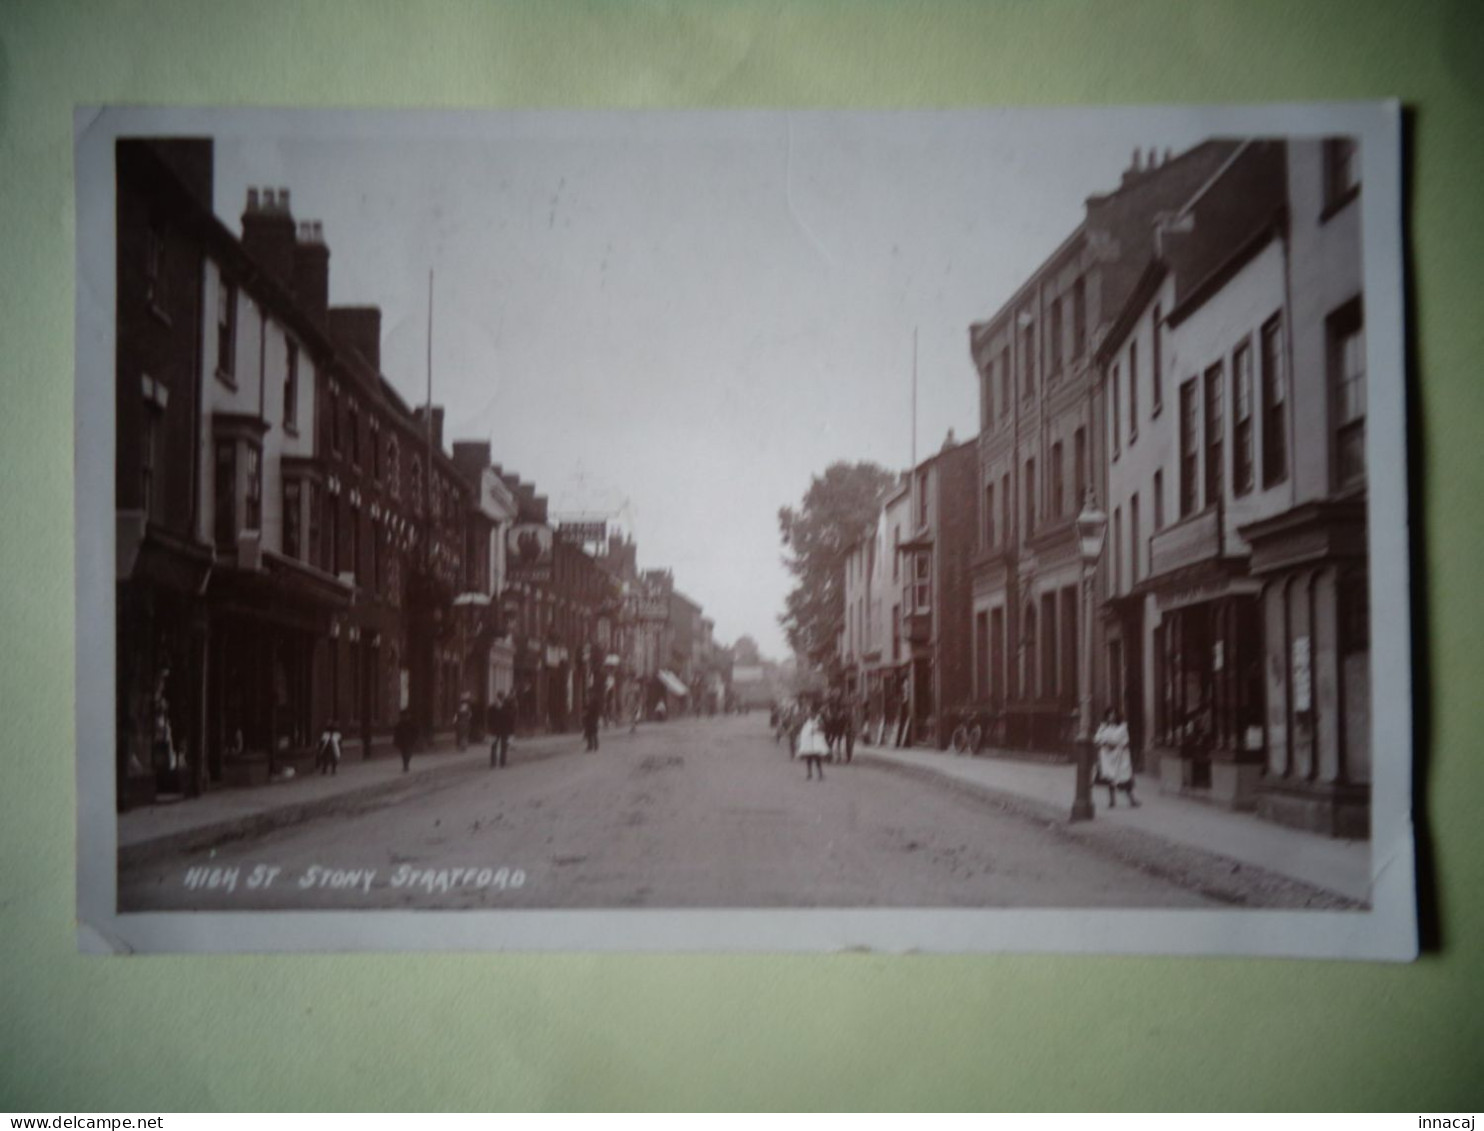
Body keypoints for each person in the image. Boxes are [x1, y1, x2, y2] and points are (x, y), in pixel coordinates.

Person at [1094, 707, 1139, 808]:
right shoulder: (1103, 727)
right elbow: (1097, 739)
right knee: (1110, 778)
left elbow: (1125, 740)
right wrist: (1105, 743)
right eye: (1110, 715)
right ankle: (1112, 801)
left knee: (1125, 777)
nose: (1112, 717)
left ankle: (1132, 799)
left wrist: (1118, 745)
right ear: (1107, 716)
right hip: (1108, 756)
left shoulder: (1122, 727)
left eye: (1114, 714)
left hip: (1120, 756)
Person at [796, 703, 829, 781]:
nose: (811, 714)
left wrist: (816, 730)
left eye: (813, 712)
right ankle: (809, 773)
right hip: (809, 742)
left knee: (818, 758)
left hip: (816, 741)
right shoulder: (808, 720)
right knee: (809, 758)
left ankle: (820, 774)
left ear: (816, 713)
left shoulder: (819, 719)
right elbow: (803, 729)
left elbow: (823, 728)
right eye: (811, 713)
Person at [487, 692, 513, 769]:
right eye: (500, 697)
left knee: (499, 746)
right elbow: (489, 719)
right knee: (497, 746)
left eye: (501, 698)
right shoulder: (494, 707)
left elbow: (510, 717)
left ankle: (498, 763)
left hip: (498, 730)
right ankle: (498, 763)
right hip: (500, 729)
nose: (501, 699)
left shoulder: (505, 707)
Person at [393, 709, 417, 774]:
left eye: (406, 716)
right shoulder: (399, 724)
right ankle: (405, 765)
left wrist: (414, 739)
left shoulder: (411, 724)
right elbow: (396, 734)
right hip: (402, 742)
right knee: (403, 754)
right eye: (403, 716)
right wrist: (396, 742)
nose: (404, 717)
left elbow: (415, 732)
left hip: (409, 742)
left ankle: (406, 764)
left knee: (408, 754)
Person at [583, 685, 602, 752]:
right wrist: (585, 714)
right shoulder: (587, 700)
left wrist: (596, 719)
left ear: (593, 693)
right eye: (589, 693)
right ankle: (590, 746)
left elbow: (597, 710)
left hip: (593, 719)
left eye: (590, 693)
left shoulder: (595, 701)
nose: (589, 694)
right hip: (588, 719)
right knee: (588, 733)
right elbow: (585, 708)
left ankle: (596, 746)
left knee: (594, 733)